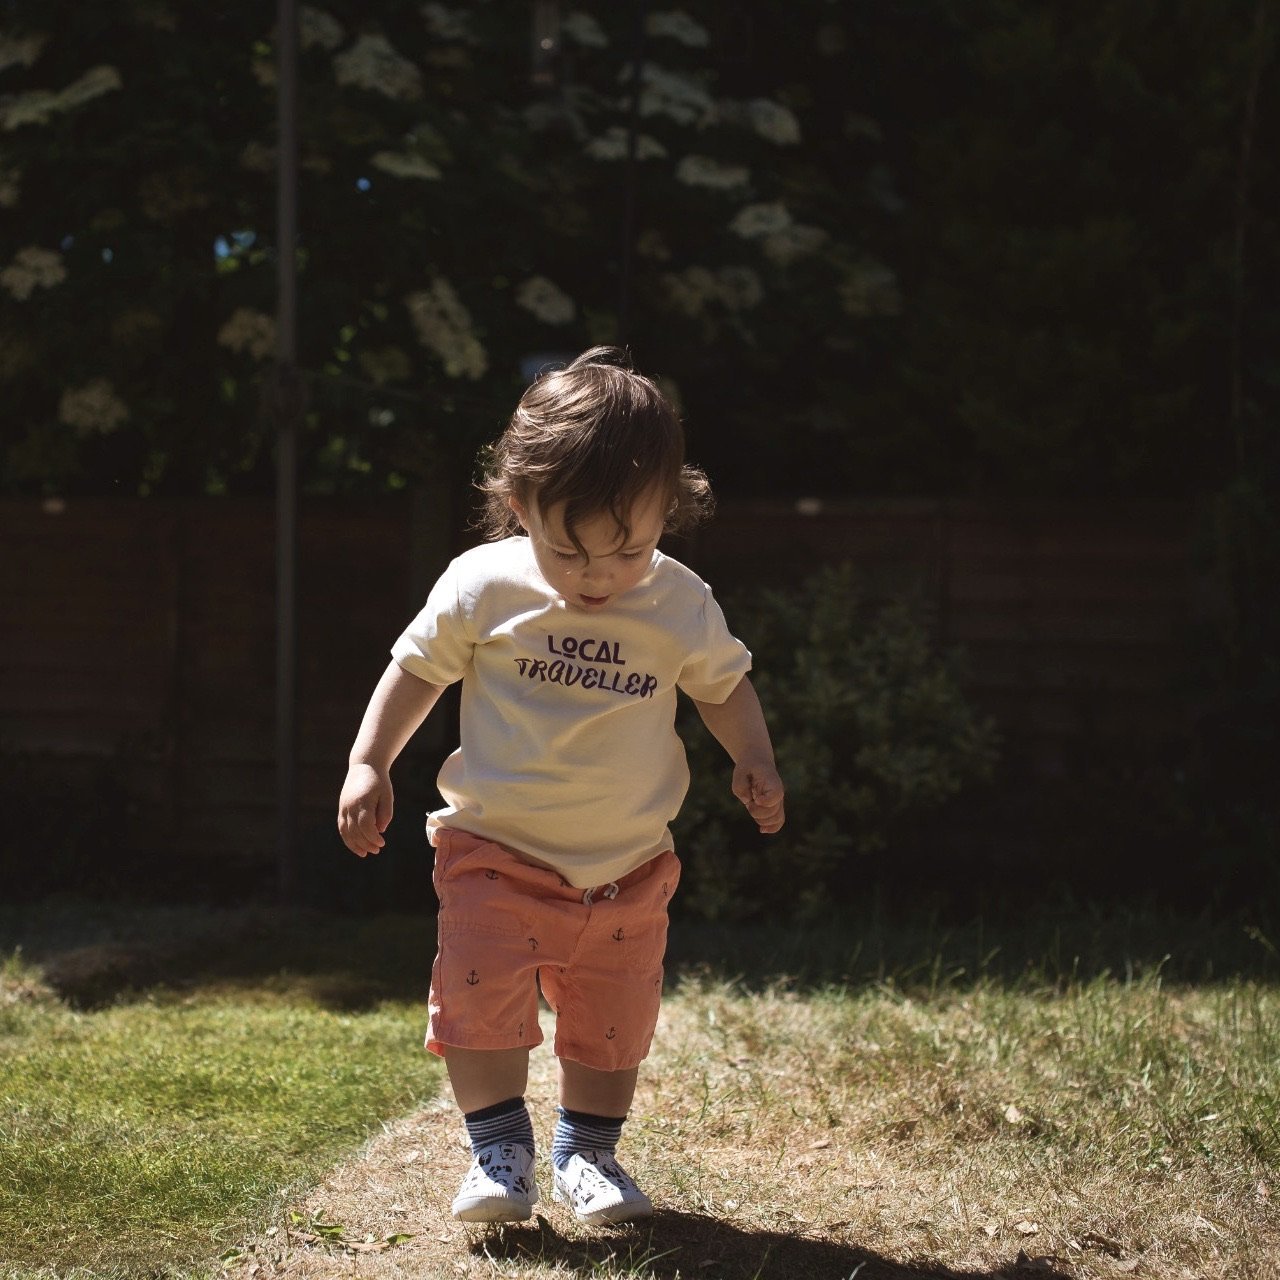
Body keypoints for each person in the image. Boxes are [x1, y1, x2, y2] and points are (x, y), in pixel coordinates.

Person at [337, 346, 785, 1227]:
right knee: (477, 1000)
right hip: (493, 848)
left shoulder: (678, 601)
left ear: (669, 512)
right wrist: (369, 760)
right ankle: (499, 1153)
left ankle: (590, 1155)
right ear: (518, 509)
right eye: (567, 549)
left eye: (629, 548)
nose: (595, 574)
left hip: (626, 863)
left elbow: (724, 685)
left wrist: (755, 759)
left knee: (614, 1021)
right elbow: (416, 670)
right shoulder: (484, 585)